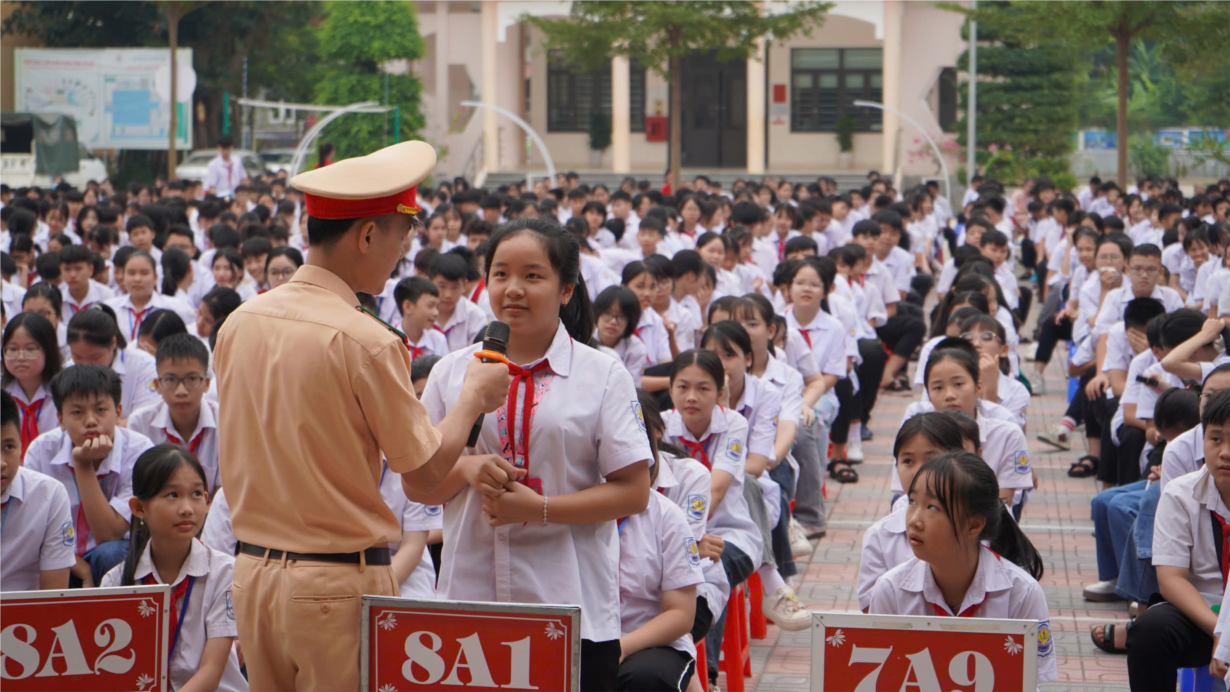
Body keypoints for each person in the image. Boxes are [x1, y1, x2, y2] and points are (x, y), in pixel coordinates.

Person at [214, 140, 511, 692]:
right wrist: (472, 397)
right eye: (401, 237)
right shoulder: (365, 339)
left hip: (252, 578)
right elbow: (423, 479)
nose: (402, 254)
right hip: (332, 584)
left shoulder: (241, 321)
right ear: (368, 235)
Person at [409, 217, 651, 692]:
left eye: (532, 276)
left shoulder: (601, 374)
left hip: (570, 601)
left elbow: (633, 492)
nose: (513, 289)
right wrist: (468, 466)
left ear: (566, 289)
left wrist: (538, 509)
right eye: (500, 274)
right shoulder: (451, 374)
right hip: (471, 597)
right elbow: (418, 484)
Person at [868, 451, 1056, 685]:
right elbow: (884, 679)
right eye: (913, 502)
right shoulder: (891, 590)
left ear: (974, 524)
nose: (914, 520)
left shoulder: (1022, 592)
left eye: (933, 507)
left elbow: (1028, 682)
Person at [100, 444, 248, 691]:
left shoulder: (224, 572)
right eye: (172, 495)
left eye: (196, 494)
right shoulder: (115, 582)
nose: (187, 508)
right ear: (138, 508)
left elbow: (211, 673)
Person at [1128, 389, 1230, 690]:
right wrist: (1221, 633)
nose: (1225, 451)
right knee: (1150, 631)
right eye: (1216, 439)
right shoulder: (1180, 493)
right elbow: (1171, 579)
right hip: (1204, 614)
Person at [24, 364, 155, 586]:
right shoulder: (41, 451)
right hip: (58, 557)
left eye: (100, 410)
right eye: (77, 412)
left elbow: (109, 534)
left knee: (111, 555)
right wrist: (80, 568)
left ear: (118, 411)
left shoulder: (140, 450)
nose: (91, 420)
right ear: (61, 419)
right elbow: (35, 532)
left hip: (114, 554)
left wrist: (82, 465)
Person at [616, 391, 703, 692]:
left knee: (646, 678)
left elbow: (680, 615)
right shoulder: (566, 507)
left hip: (650, 644)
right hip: (583, 639)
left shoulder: (667, 516)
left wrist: (620, 647)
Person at [857, 413, 967, 612]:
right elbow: (871, 611)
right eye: (908, 461)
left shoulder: (979, 524)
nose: (918, 470)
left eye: (932, 459)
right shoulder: (880, 535)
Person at [0, 387, 75, 591]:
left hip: (25, 619)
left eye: (8, 447)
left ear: (21, 445)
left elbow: (53, 598)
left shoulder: (49, 495)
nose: (1, 463)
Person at [127, 334, 219, 497]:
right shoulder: (140, 423)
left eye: (191, 379)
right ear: (157, 385)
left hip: (215, 517)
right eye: (170, 380)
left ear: (206, 384)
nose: (181, 391)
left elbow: (225, 493)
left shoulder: (224, 421)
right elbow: (140, 490)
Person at [66, 306, 162, 419]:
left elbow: (145, 419)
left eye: (95, 357)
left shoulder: (143, 365)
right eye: (77, 357)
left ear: (113, 343)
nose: (86, 365)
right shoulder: (66, 370)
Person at [2, 312, 62, 455]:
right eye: (13, 349)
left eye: (30, 349)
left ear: (49, 350)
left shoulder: (65, 391)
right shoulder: (2, 391)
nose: (20, 357)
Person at [105, 252, 194, 340]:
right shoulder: (110, 309)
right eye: (131, 273)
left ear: (155, 278)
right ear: (123, 277)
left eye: (144, 273)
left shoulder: (177, 307)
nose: (137, 279)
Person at [392, 276, 448, 358]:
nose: (436, 313)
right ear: (408, 306)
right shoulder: (390, 341)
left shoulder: (438, 340)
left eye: (437, 307)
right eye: (430, 305)